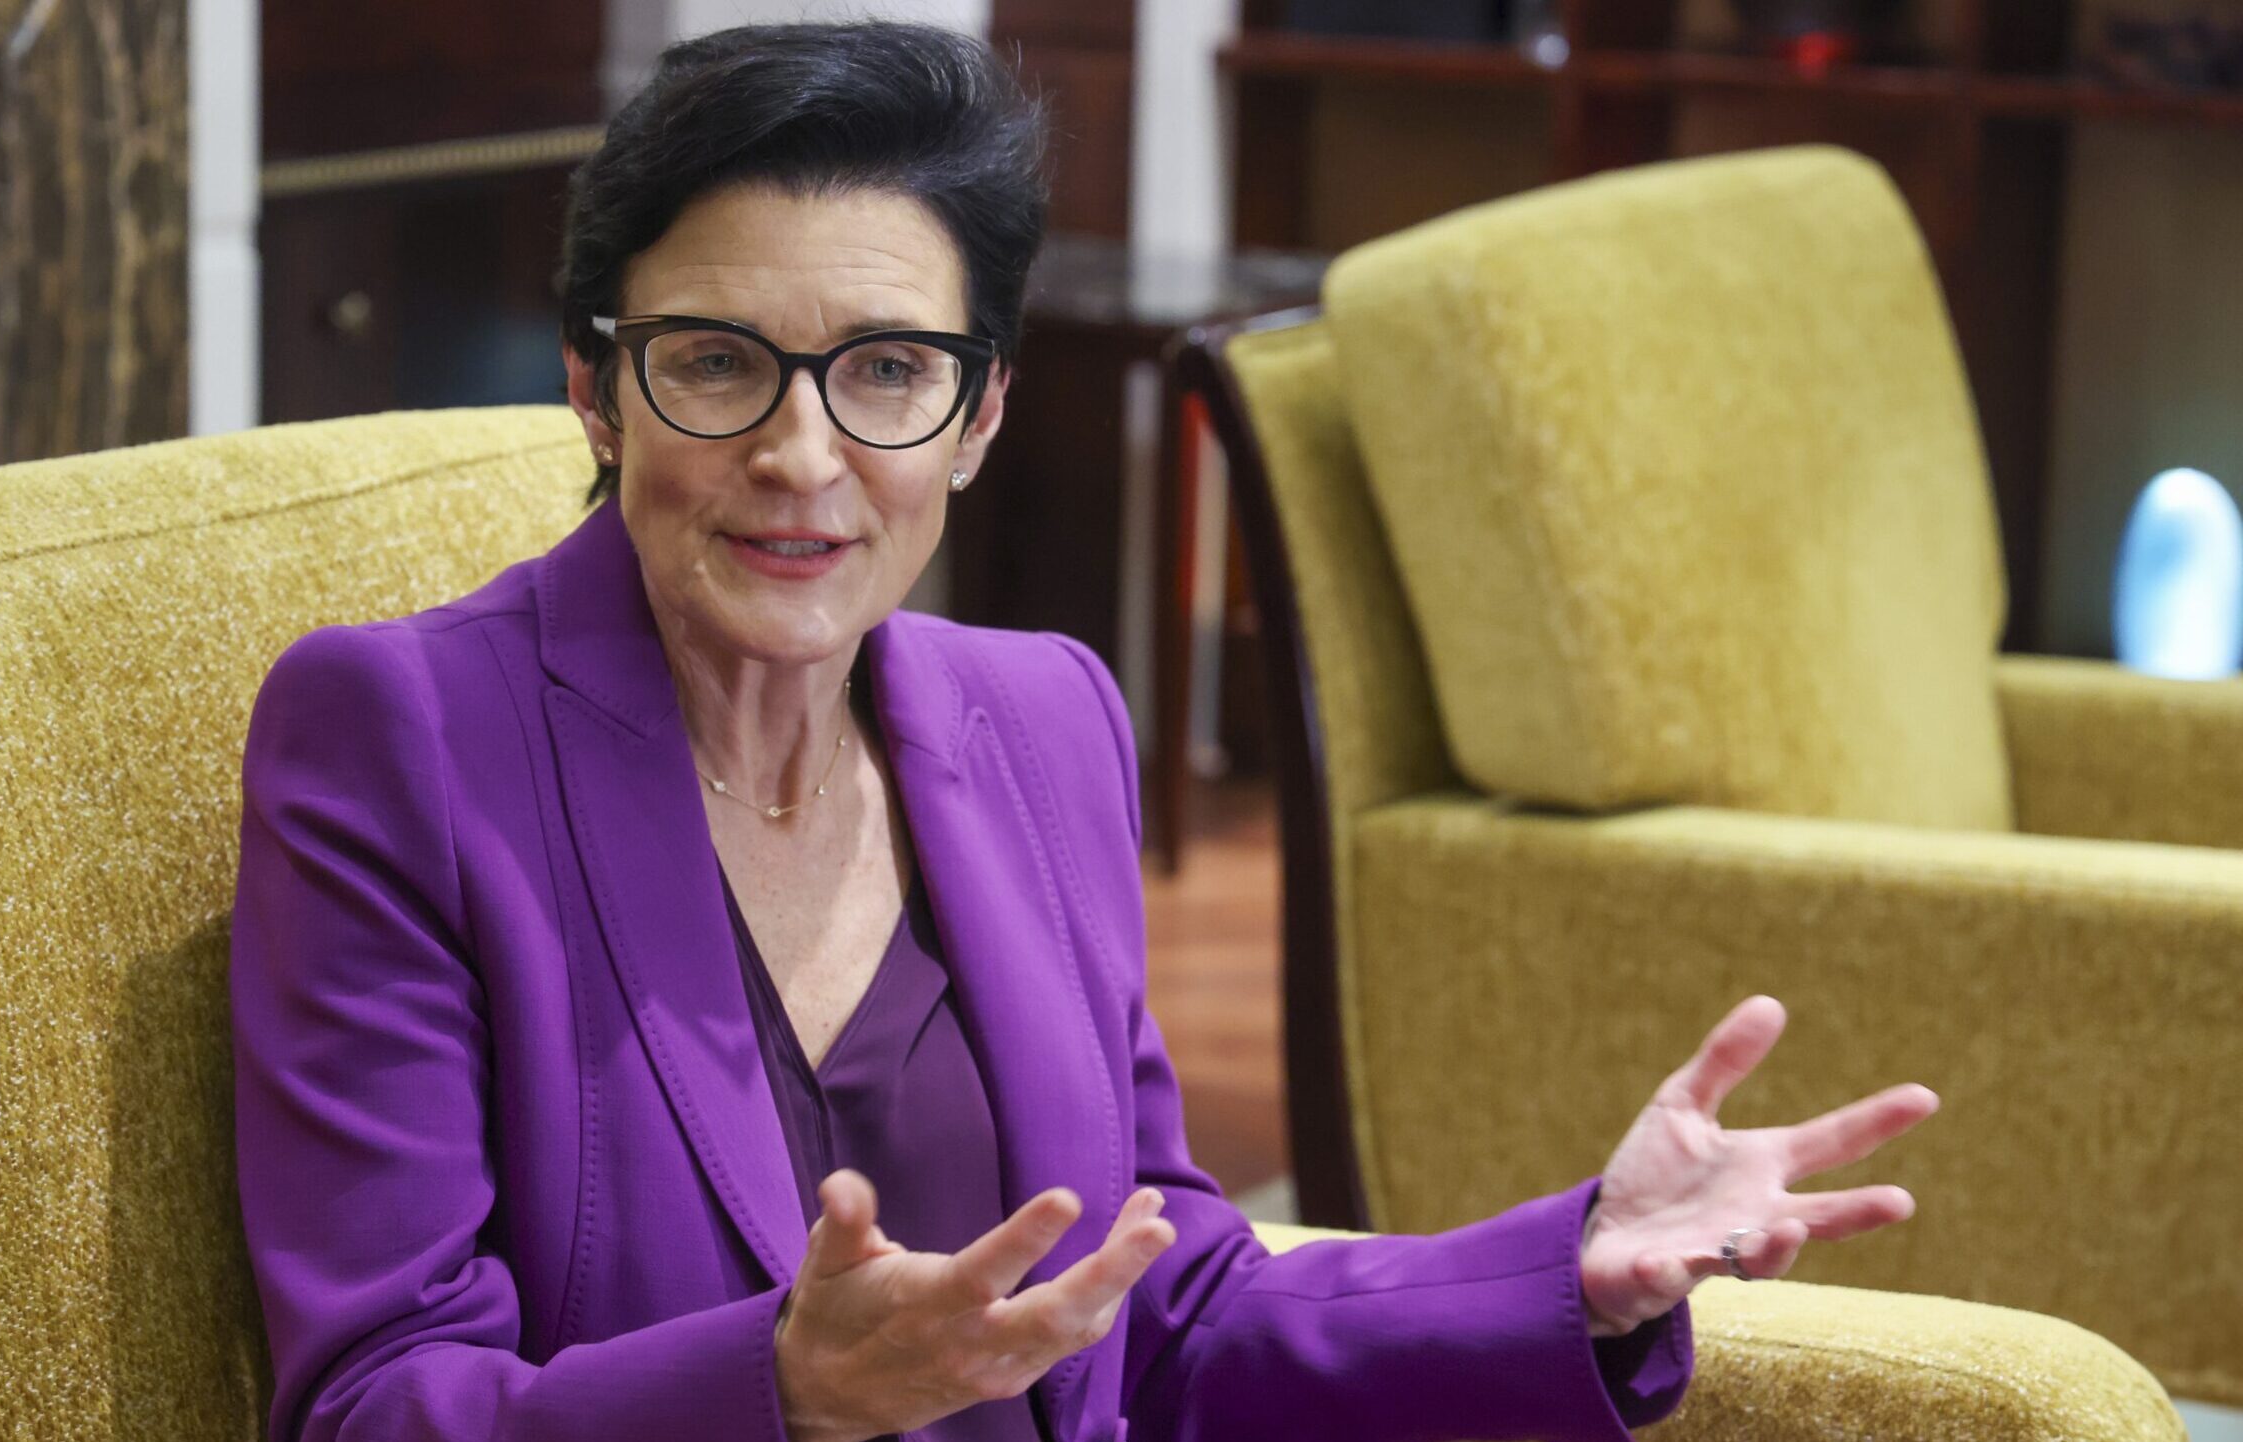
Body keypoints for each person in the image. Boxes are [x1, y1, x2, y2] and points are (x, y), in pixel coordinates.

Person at [228, 21, 1938, 1442]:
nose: (803, 456)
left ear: (979, 414)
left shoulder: (1044, 719)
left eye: (887, 372)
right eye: (718, 362)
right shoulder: (400, 740)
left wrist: (1567, 1268)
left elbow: (1163, 1303)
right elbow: (377, 1404)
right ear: (594, 386)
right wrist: (782, 1394)